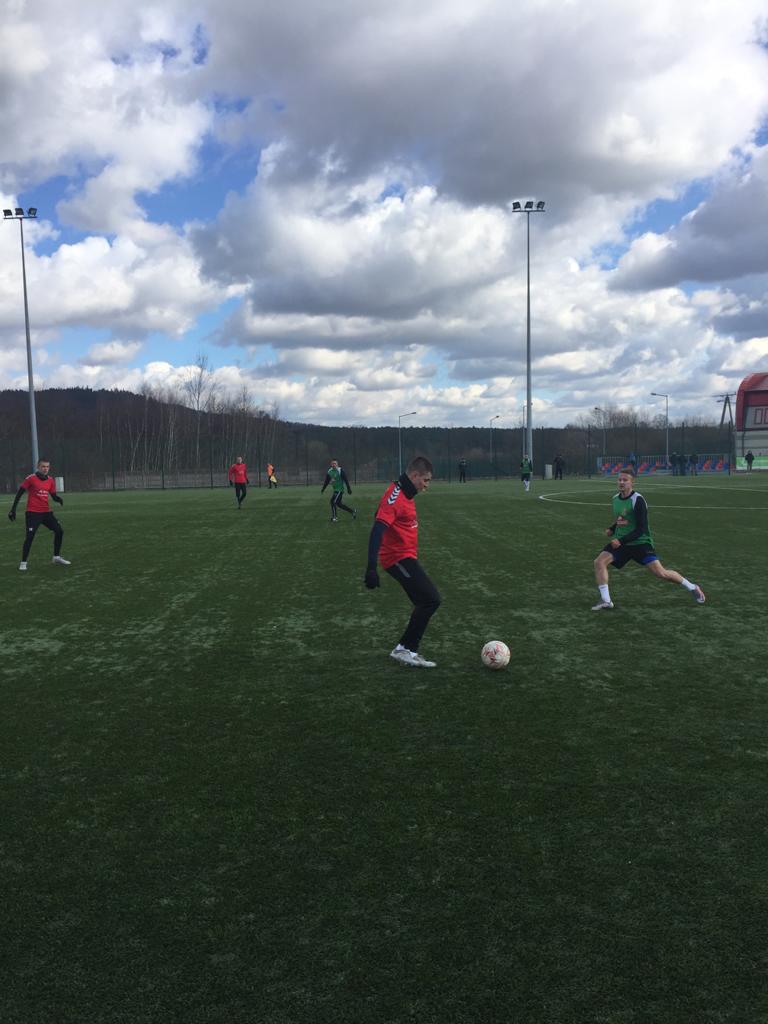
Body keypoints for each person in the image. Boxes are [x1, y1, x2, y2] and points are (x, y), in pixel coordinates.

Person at [364, 456, 441, 668]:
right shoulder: (395, 496)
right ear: (414, 475)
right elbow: (377, 530)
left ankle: (404, 649)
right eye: (425, 480)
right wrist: (371, 568)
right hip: (397, 558)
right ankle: (406, 650)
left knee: (425, 601)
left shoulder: (406, 492)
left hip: (406, 557)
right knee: (430, 599)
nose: (426, 485)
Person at [591, 468, 705, 611]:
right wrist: (612, 529)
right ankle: (606, 600)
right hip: (622, 543)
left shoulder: (638, 500)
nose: (621, 482)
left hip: (640, 543)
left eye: (625, 480)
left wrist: (620, 541)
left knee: (661, 573)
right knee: (599, 562)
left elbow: (642, 529)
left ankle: (692, 587)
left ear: (632, 482)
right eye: (619, 479)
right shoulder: (615, 499)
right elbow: (622, 518)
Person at [8, 458, 70, 572]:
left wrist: (58, 499)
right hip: (33, 513)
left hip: (46, 513)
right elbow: (20, 493)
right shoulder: (31, 478)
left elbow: (53, 495)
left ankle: (56, 557)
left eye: (47, 467)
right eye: (43, 466)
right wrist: (13, 509)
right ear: (38, 467)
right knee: (30, 537)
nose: (45, 469)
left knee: (59, 531)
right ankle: (23, 562)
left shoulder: (50, 480)